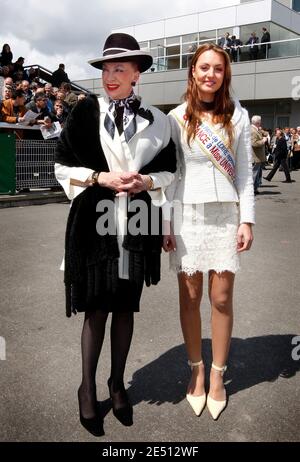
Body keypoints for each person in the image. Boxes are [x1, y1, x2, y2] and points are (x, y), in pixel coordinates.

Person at [54, 33, 176, 436]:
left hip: (137, 224)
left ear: (136, 73)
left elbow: (171, 172)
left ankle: (117, 383)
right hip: (93, 224)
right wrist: (97, 176)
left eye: (119, 69)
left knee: (125, 306)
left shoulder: (159, 120)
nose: (110, 76)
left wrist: (146, 181)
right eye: (106, 69)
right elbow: (62, 165)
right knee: (96, 308)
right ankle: (86, 388)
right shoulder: (84, 112)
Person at [163, 43, 255, 420]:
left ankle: (218, 374)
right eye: (204, 67)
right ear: (193, 71)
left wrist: (247, 219)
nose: (210, 74)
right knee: (190, 296)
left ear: (225, 75)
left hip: (224, 218)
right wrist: (164, 223)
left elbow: (247, 173)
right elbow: (169, 177)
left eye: (218, 69)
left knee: (220, 297)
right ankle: (195, 370)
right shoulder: (175, 117)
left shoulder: (239, 117)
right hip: (186, 215)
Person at [251, 115, 267, 195]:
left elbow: (266, 133)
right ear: (258, 122)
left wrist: (262, 131)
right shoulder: (253, 131)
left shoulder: (256, 129)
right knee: (254, 174)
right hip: (255, 156)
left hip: (257, 156)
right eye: (260, 121)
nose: (261, 122)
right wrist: (263, 141)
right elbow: (254, 143)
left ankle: (255, 189)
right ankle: (252, 190)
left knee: (256, 174)